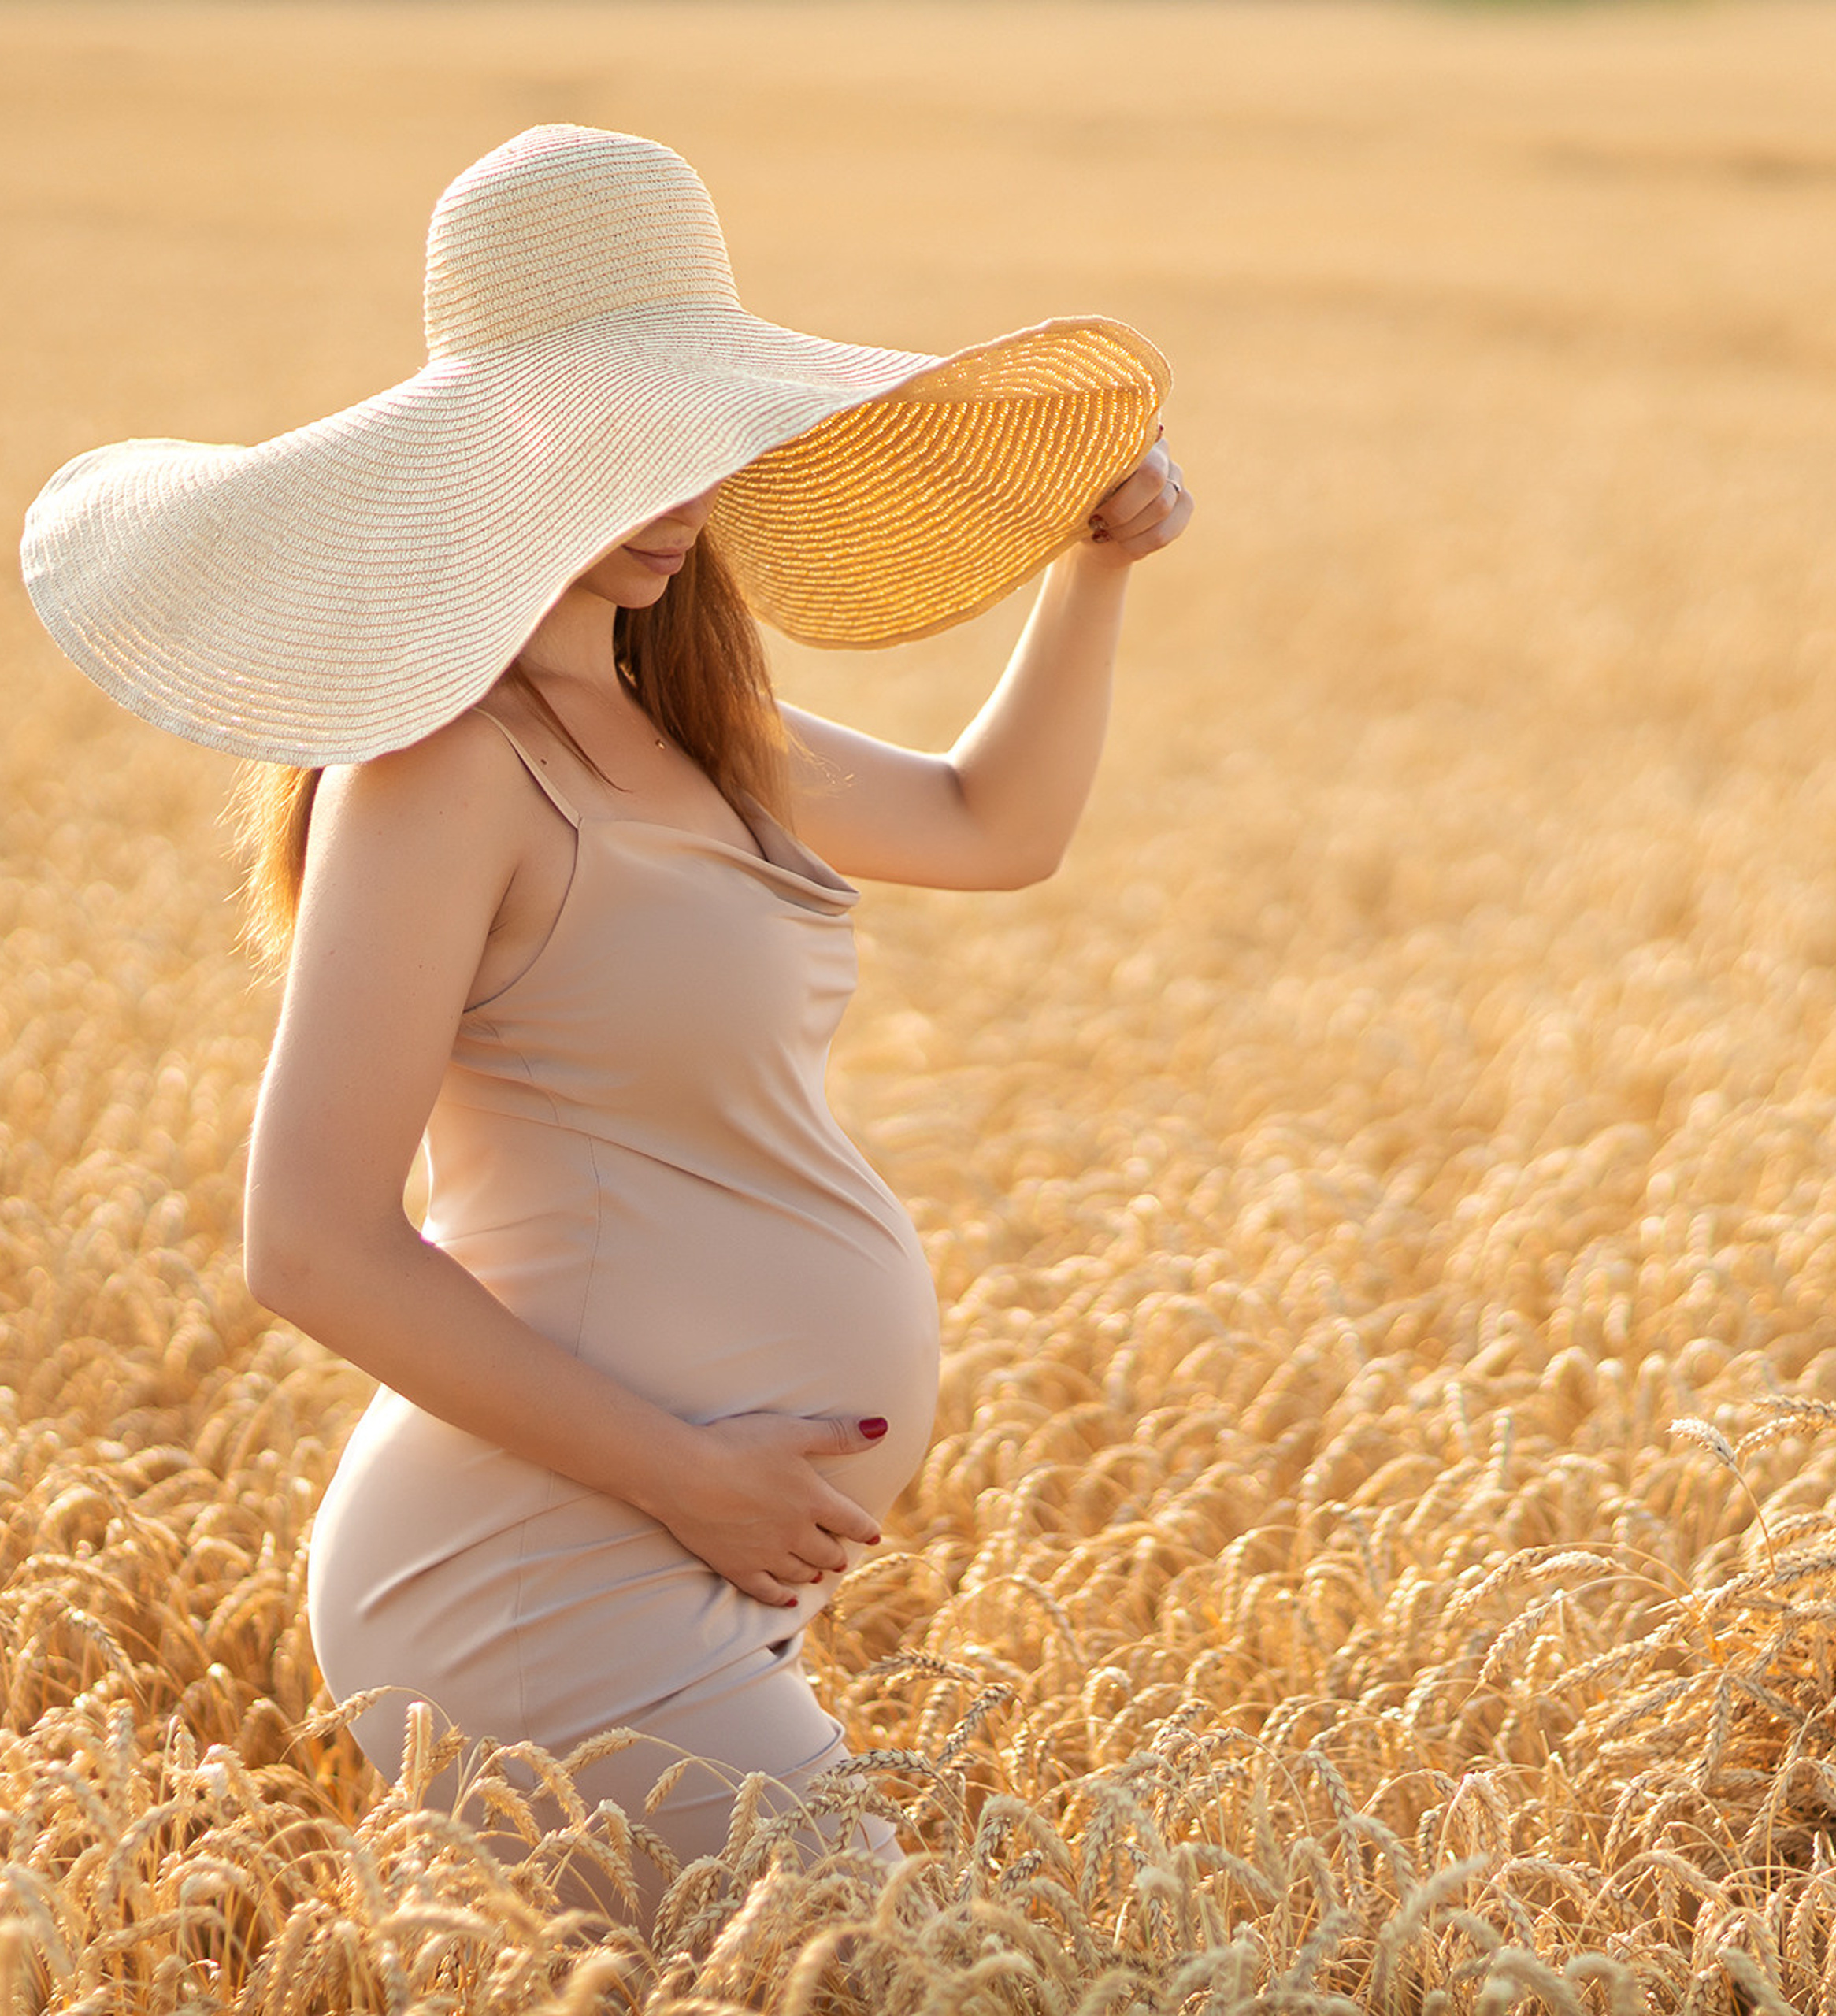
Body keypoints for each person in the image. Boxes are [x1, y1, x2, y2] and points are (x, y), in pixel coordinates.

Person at [20, 124, 1190, 1914]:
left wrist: (1088, 572)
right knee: (912, 1960)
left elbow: (991, 826)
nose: (673, 491)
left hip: (696, 1556)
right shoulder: (437, 773)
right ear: (486, 444)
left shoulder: (699, 731)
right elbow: (309, 1241)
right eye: (612, 433)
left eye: (691, 431)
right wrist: (693, 1477)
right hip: (538, 1557)